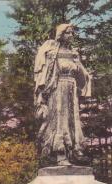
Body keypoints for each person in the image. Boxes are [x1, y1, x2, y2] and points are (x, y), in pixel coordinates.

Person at [34, 23, 91, 165]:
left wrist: (79, 66)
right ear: (60, 34)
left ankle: (75, 151)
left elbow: (82, 76)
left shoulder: (74, 54)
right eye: (68, 33)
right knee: (60, 120)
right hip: (58, 89)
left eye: (72, 33)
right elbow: (45, 75)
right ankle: (60, 154)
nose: (71, 36)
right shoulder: (53, 53)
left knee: (73, 120)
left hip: (72, 90)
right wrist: (43, 94)